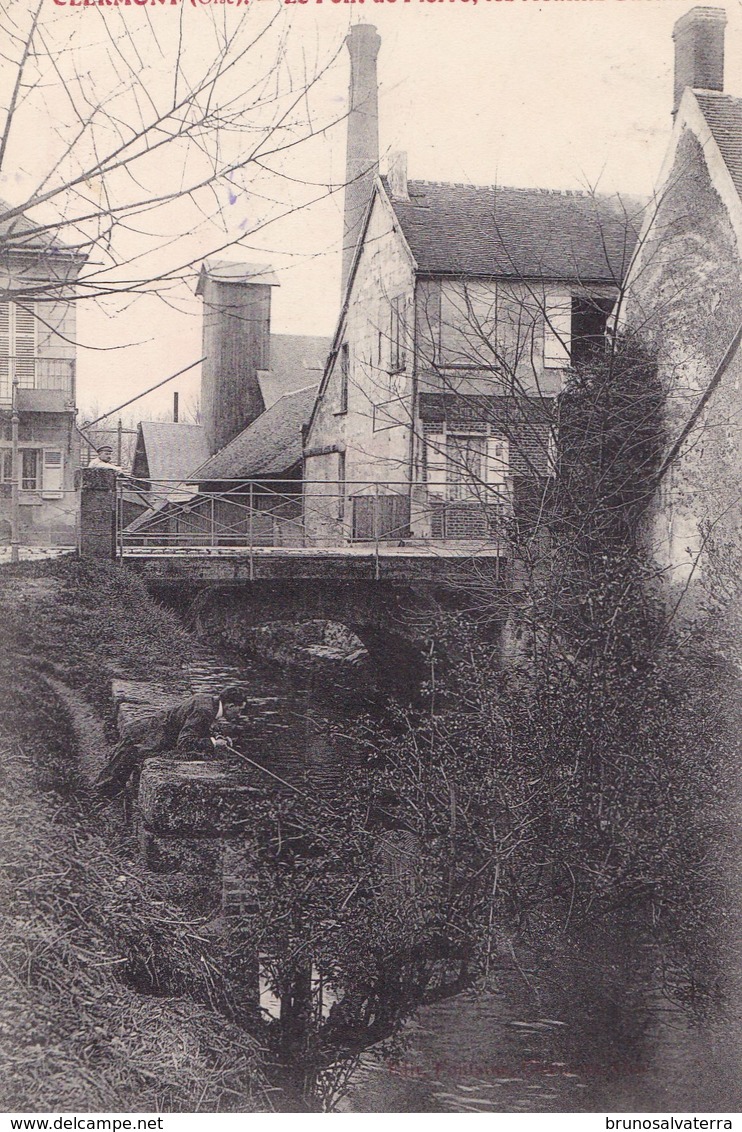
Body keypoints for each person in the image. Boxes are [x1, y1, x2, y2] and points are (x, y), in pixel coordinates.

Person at [96, 685, 247, 798]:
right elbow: (185, 742)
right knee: (120, 768)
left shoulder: (208, 700)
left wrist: (215, 735)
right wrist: (214, 743)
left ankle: (98, 795)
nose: (239, 715)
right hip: (150, 736)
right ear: (230, 706)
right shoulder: (205, 711)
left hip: (151, 728)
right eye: (239, 710)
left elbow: (196, 725)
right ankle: (97, 799)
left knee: (119, 765)